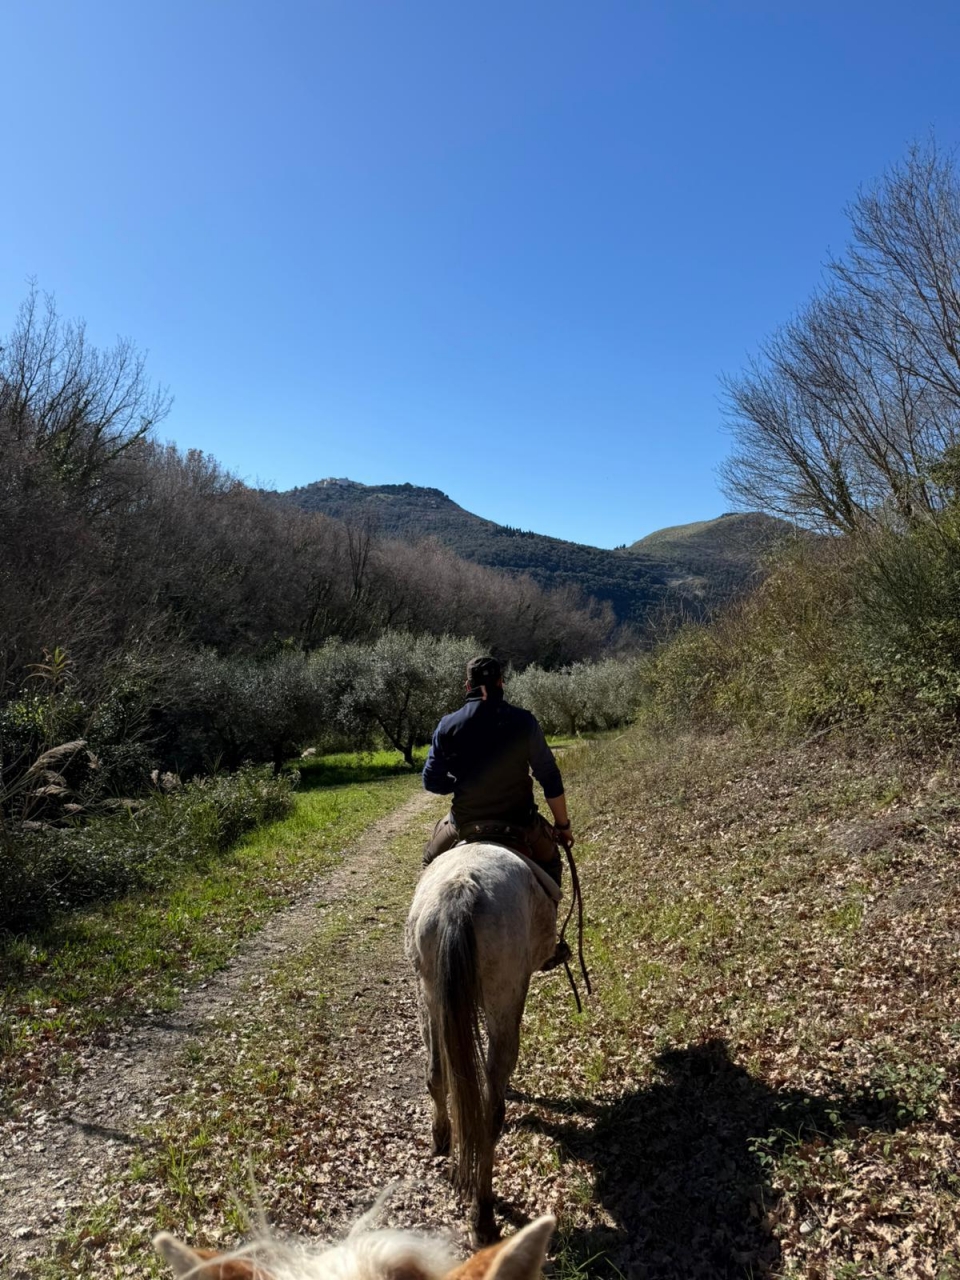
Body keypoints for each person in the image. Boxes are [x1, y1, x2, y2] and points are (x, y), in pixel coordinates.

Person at [421, 655, 575, 967]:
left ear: (467, 686)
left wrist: (463, 781)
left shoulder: (448, 725)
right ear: (501, 683)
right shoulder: (523, 722)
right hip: (520, 824)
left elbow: (431, 780)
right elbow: (549, 777)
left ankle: (424, 931)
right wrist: (563, 825)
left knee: (429, 860)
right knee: (551, 862)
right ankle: (548, 945)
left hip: (463, 824)